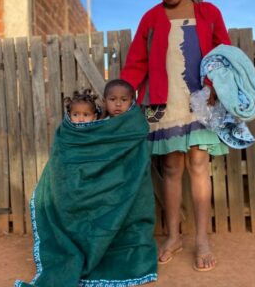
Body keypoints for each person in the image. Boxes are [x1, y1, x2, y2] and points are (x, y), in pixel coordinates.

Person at [121, 0, 231, 272]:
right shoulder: (150, 19)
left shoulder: (209, 13)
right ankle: (173, 236)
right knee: (170, 168)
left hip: (201, 99)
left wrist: (213, 87)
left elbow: (223, 54)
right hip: (162, 102)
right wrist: (123, 95)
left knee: (199, 164)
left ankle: (202, 240)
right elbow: (136, 63)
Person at [15, 83, 157, 287]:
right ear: (105, 102)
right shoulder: (78, 132)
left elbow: (134, 161)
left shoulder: (133, 126)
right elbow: (63, 161)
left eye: (124, 100)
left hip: (122, 187)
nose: (118, 104)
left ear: (132, 101)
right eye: (112, 99)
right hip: (83, 190)